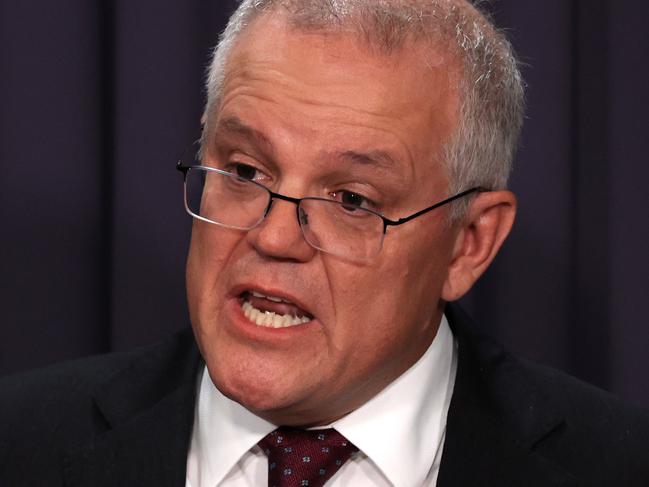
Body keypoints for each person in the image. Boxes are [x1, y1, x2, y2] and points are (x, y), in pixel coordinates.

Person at [1, 0, 647, 486]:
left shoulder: (614, 466)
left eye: (351, 200)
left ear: (467, 245)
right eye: (247, 171)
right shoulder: (20, 443)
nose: (274, 235)